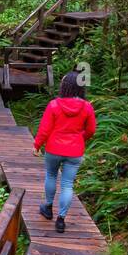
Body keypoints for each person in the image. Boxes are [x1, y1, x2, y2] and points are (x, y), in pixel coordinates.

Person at [32, 71, 97, 233]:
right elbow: (91, 130)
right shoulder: (87, 107)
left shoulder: (54, 105)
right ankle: (61, 219)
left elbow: (45, 129)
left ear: (65, 86)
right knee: (68, 184)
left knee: (51, 175)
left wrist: (37, 145)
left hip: (54, 148)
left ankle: (47, 207)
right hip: (75, 151)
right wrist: (80, 138)